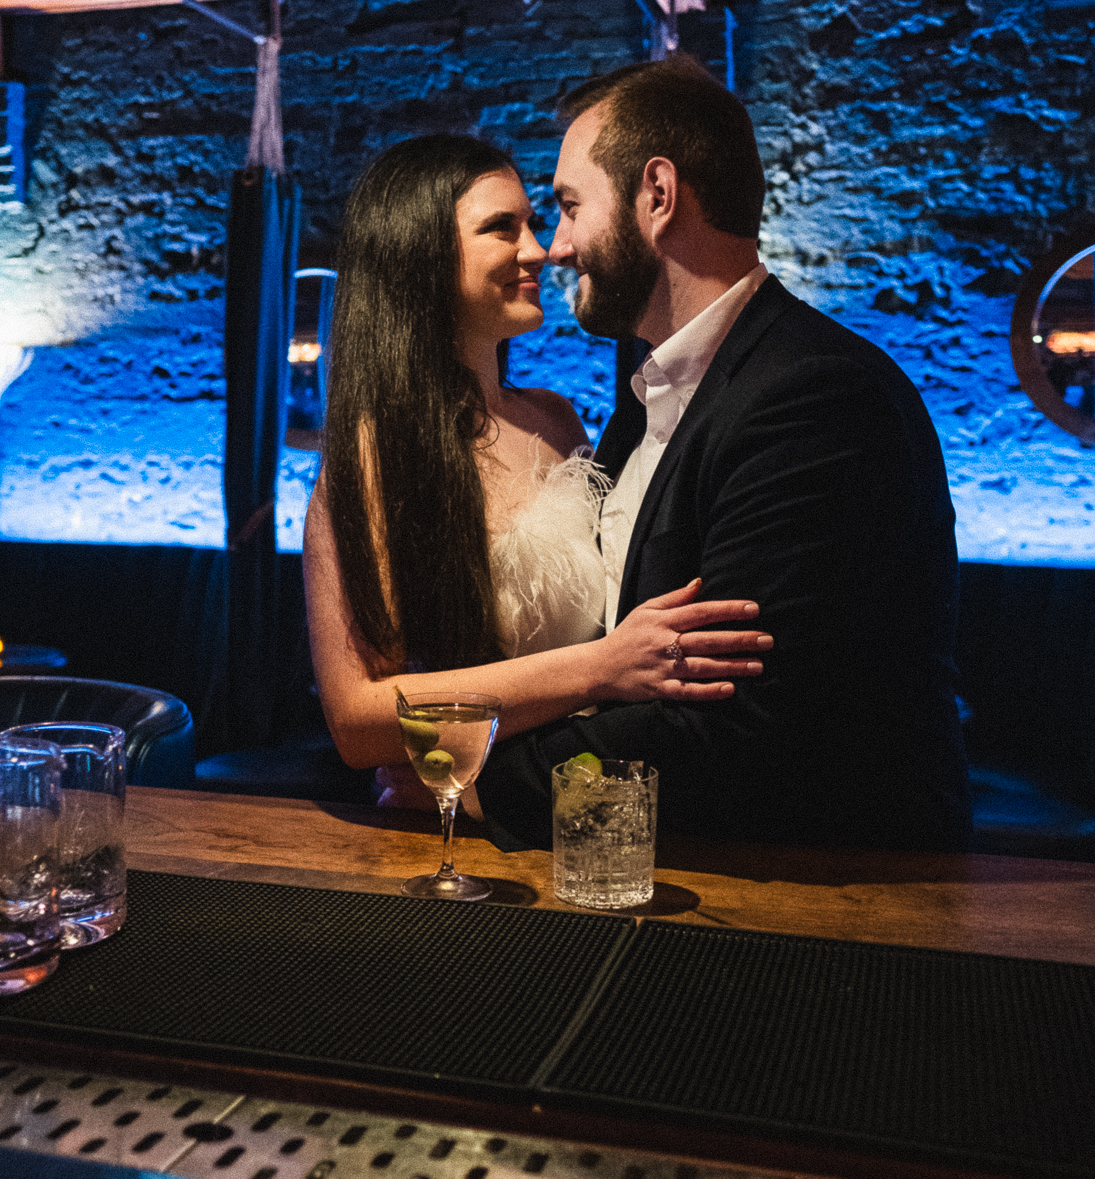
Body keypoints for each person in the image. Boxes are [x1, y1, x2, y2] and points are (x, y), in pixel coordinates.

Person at [466, 53, 971, 851]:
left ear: (657, 196)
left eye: (568, 206)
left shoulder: (812, 396)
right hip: (674, 870)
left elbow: (742, 728)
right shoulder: (653, 388)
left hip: (832, 898)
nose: (554, 248)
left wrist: (481, 785)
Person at [302, 133, 772, 780]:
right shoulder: (374, 455)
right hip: (458, 822)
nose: (539, 250)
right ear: (420, 256)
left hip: (583, 794)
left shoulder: (555, 418)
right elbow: (357, 720)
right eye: (501, 229)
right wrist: (598, 670)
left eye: (533, 222)